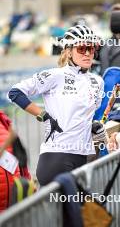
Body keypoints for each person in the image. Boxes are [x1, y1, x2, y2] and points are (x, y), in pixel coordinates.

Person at [8, 25, 104, 186]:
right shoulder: (56, 75)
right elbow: (15, 92)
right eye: (82, 48)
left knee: (80, 210)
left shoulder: (97, 81)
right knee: (59, 210)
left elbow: (85, 115)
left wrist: (94, 125)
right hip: (57, 156)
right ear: (68, 51)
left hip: (83, 155)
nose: (88, 53)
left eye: (91, 48)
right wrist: (43, 115)